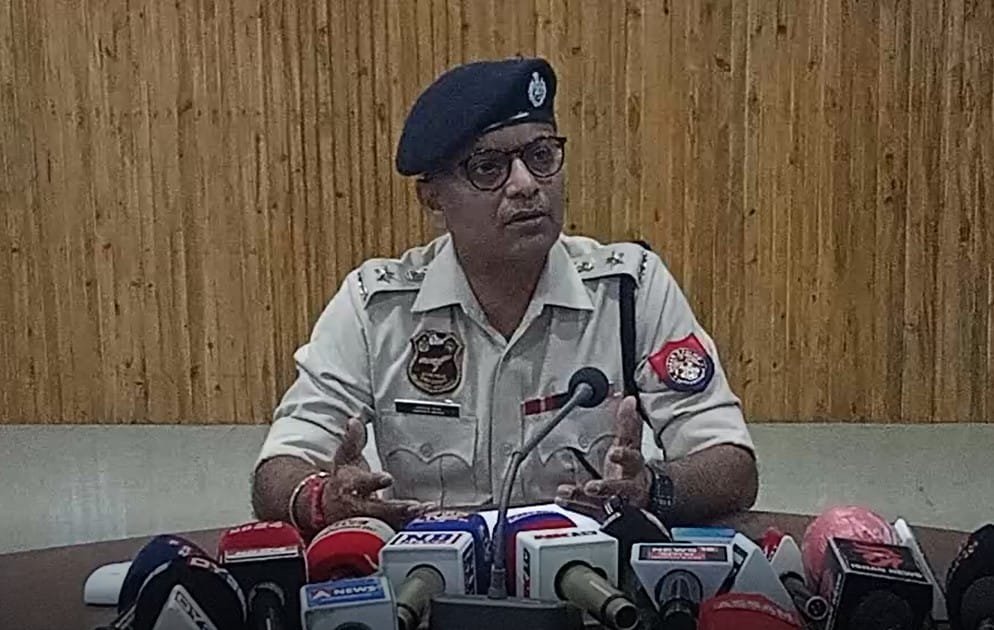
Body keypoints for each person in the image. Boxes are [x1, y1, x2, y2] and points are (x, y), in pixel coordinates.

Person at [251, 57, 758, 537]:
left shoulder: (629, 289)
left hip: (590, 578)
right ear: (432, 197)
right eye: (488, 167)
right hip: (433, 579)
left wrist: (655, 488)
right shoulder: (377, 306)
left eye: (541, 156)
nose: (525, 185)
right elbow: (277, 469)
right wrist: (321, 499)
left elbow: (731, 463)